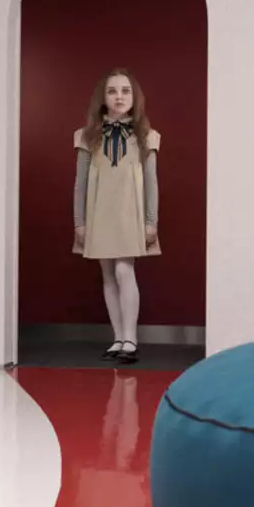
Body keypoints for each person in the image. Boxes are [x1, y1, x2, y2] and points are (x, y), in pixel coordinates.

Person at [73, 68, 161, 365]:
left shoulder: (146, 137)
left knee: (124, 269)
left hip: (129, 212)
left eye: (125, 90)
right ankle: (118, 338)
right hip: (99, 212)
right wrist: (79, 222)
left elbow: (151, 182)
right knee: (108, 274)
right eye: (112, 91)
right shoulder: (87, 137)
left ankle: (131, 339)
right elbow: (80, 183)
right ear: (103, 98)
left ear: (135, 97)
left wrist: (151, 220)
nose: (119, 96)